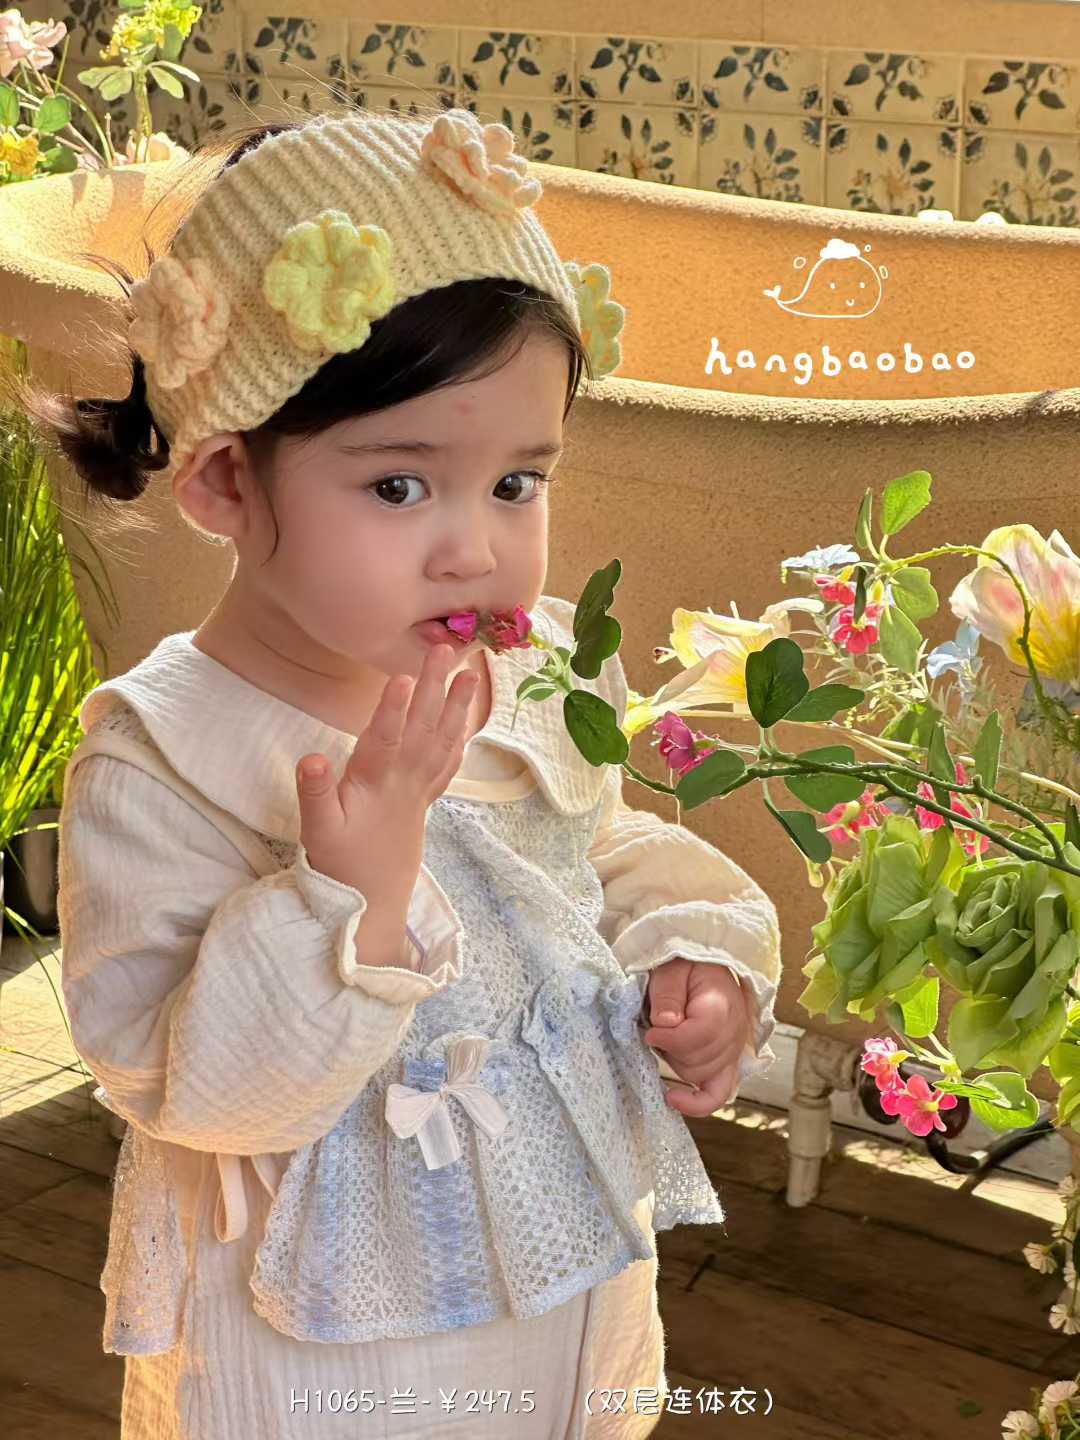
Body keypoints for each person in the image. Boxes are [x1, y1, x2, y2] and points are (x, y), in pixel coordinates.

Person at [12, 104, 782, 1439]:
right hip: (305, 1343)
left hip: (554, 1275)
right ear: (226, 482)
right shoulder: (161, 753)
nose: (474, 549)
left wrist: (691, 957)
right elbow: (177, 1086)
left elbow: (589, 855)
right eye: (398, 487)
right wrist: (350, 895)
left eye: (517, 483)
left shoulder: (531, 670)